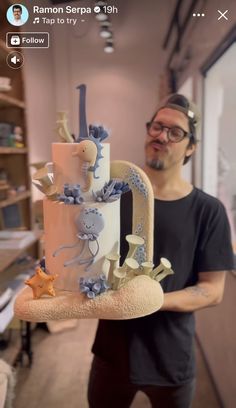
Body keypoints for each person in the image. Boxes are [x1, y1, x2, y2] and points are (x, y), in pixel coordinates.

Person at [88, 94, 234, 408]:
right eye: (157, 126)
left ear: (191, 147)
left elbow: (212, 290)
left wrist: (150, 301)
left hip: (171, 360)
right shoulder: (113, 196)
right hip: (112, 351)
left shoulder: (208, 211)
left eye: (175, 132)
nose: (161, 136)